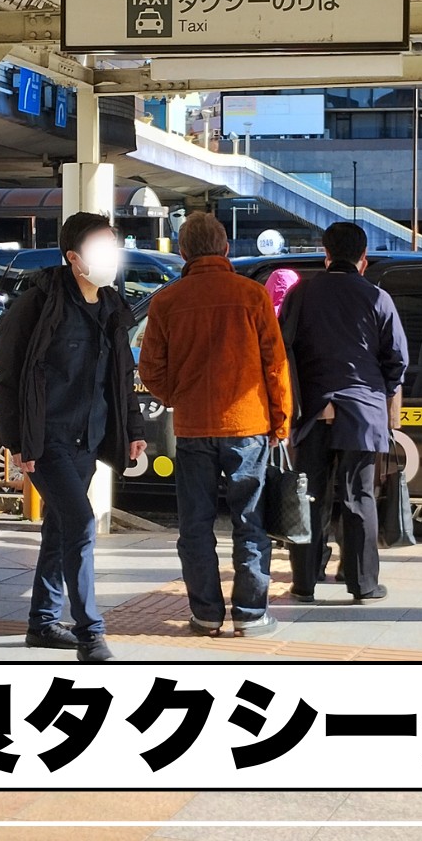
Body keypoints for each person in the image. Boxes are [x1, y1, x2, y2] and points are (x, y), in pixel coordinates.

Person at [0, 212, 147, 663]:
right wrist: (19, 441)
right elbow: (8, 376)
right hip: (48, 439)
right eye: (99, 249)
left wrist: (132, 431)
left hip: (88, 438)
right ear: (73, 257)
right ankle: (90, 634)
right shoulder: (37, 306)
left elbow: (121, 376)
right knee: (80, 523)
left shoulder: (112, 306)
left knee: (61, 526)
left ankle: (41, 622)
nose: (109, 258)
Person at [139, 213, 292, 637]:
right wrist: (280, 421)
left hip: (192, 428)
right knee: (250, 522)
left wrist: (179, 396)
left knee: (195, 525)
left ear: (184, 252)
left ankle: (206, 613)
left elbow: (150, 368)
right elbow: (275, 365)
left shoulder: (166, 301)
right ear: (225, 248)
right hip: (248, 426)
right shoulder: (253, 296)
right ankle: (250, 613)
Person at [279, 222, 408, 604]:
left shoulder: (301, 294)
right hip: (364, 412)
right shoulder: (377, 298)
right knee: (359, 496)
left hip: (314, 410)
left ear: (326, 254)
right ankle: (363, 584)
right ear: (363, 260)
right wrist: (379, 392)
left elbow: (283, 349)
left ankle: (304, 582)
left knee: (310, 496)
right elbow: (397, 360)